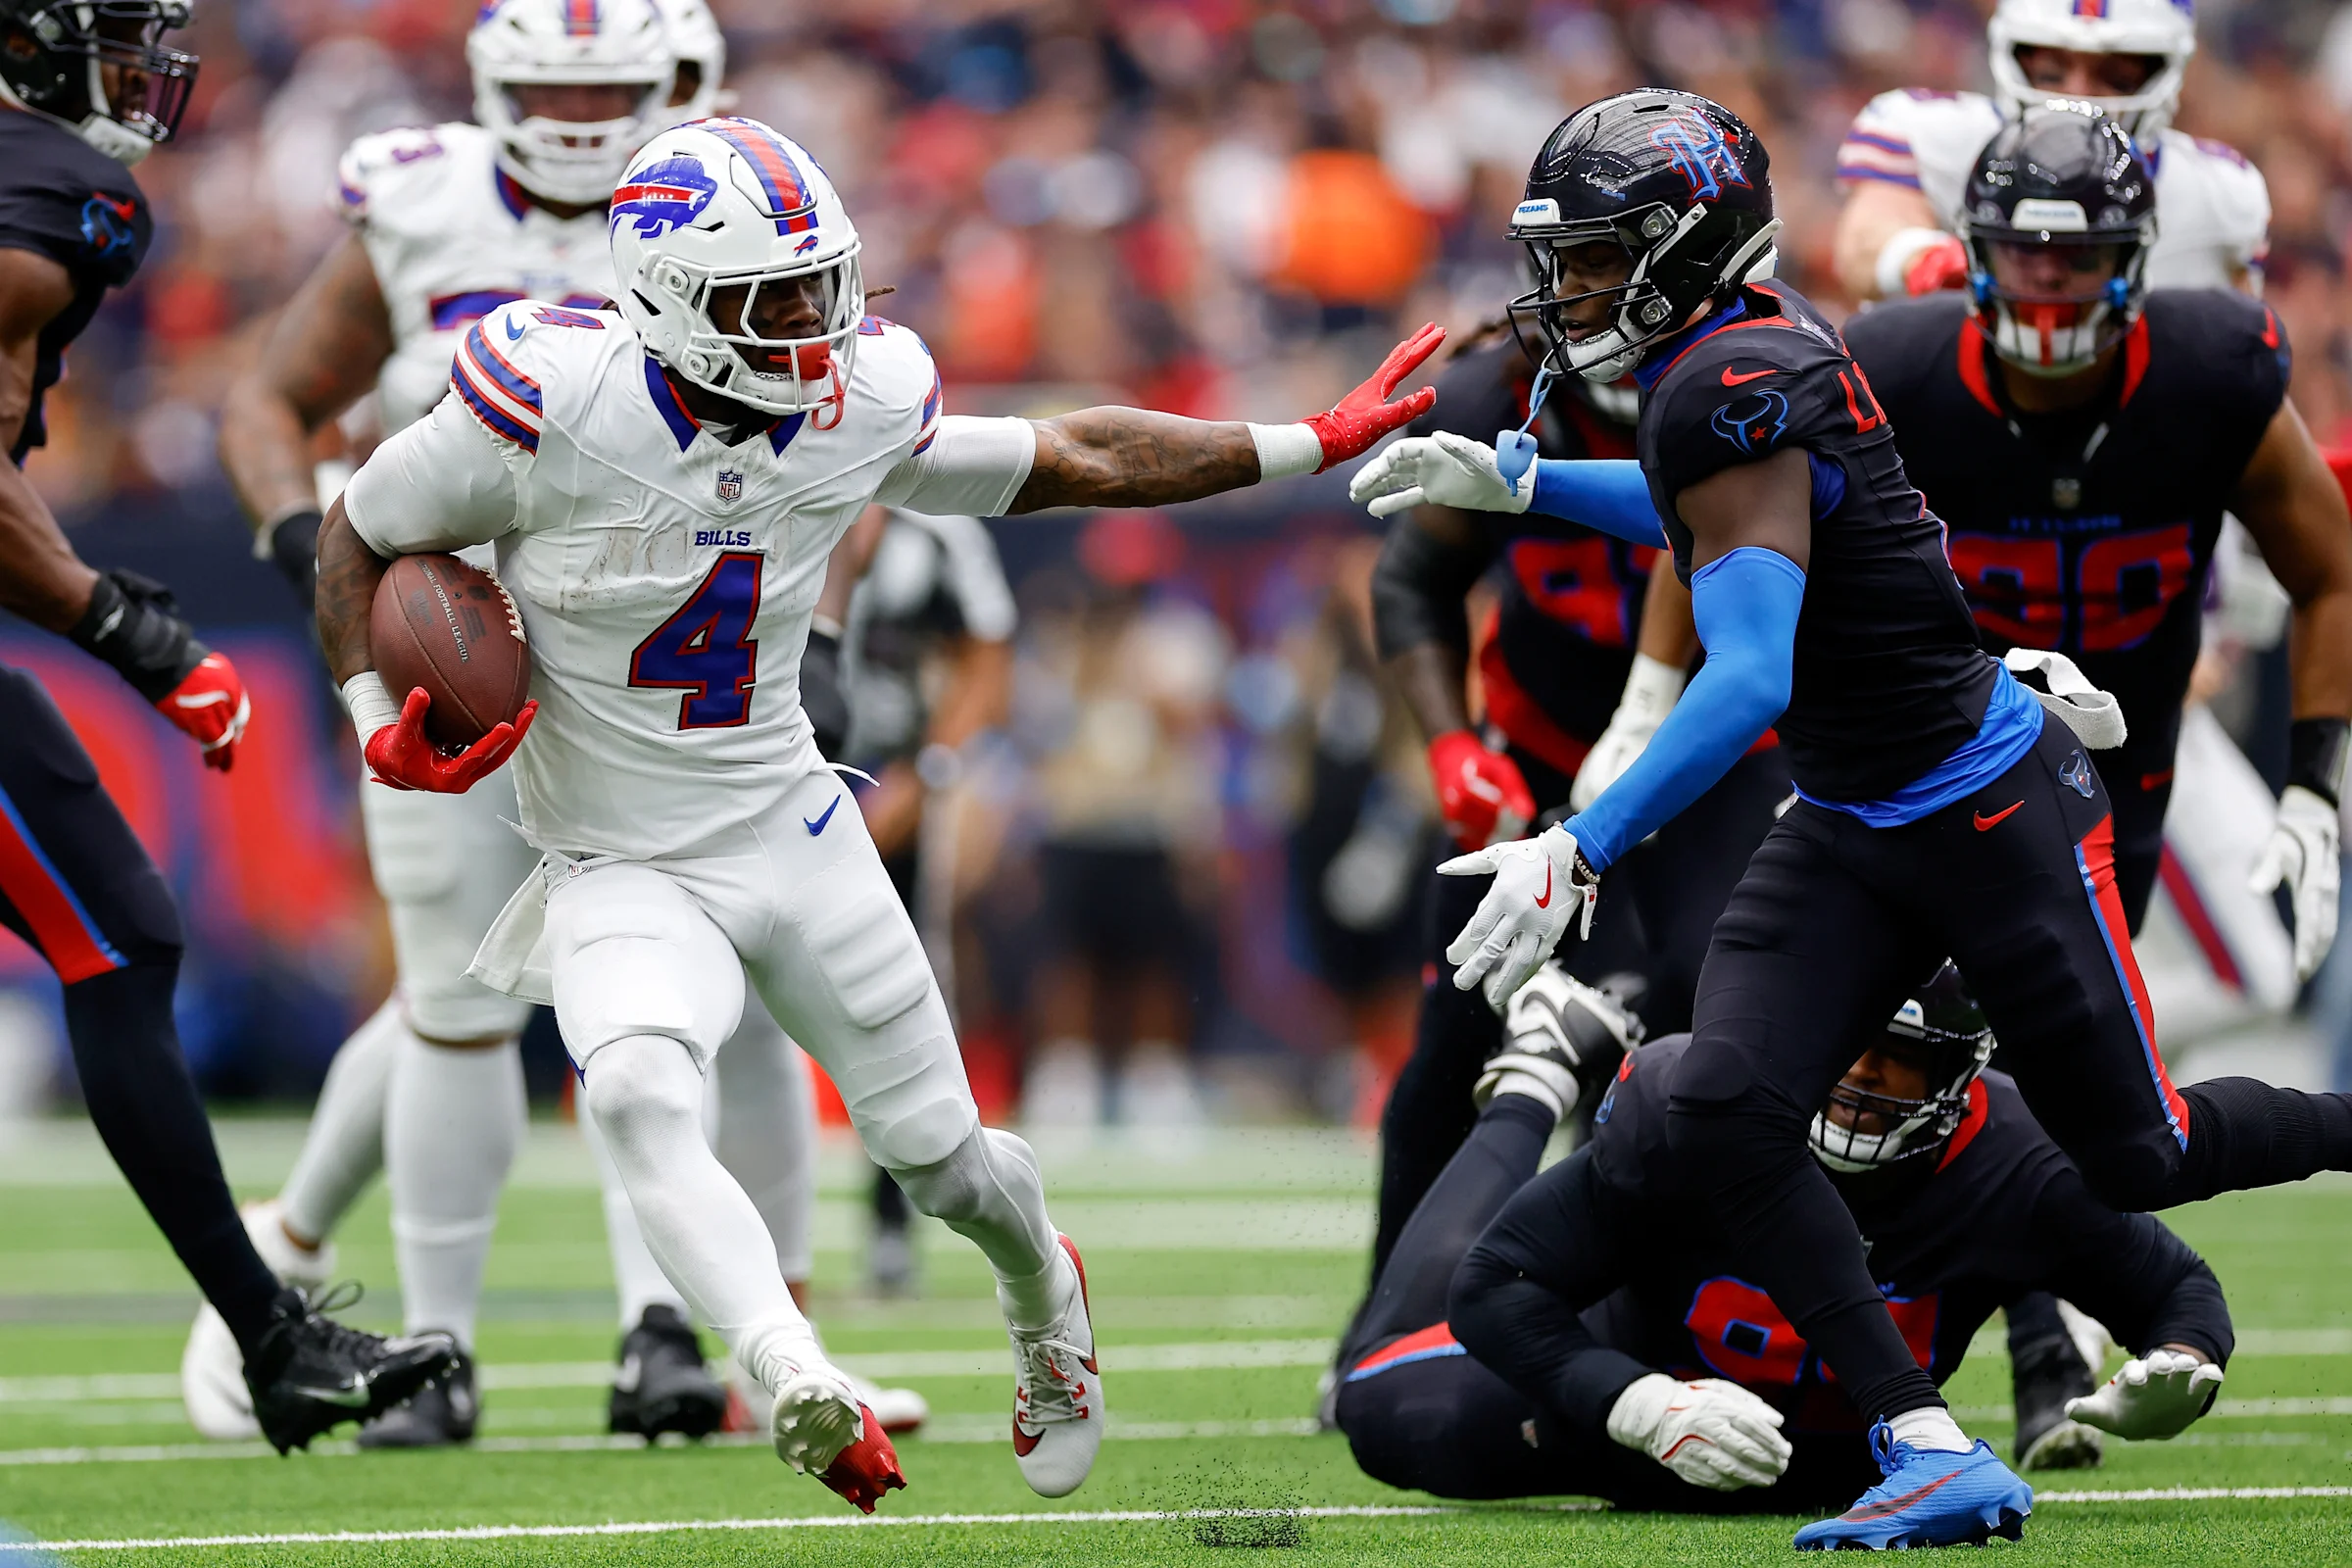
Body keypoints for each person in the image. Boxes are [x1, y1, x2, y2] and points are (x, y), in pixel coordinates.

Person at [307, 116, 1444, 1509]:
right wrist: (372, 718)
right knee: (642, 1093)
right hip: (613, 856)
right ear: (668, 299)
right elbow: (356, 532)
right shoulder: (543, 399)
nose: (811, 326)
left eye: (819, 286)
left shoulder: (858, 398)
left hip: (787, 824)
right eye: (770, 301)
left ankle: (1044, 1289)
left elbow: (1075, 454)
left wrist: (1304, 440)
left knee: (943, 1164)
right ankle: (791, 1369)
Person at [1349, 88, 2352, 1548]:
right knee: (1724, 1109)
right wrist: (1526, 482)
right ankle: (1925, 1441)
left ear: (1687, 250)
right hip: (1857, 809)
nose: (1567, 290)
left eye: (1598, 256)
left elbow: (1750, 668)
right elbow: (1714, 507)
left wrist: (1583, 843)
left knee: (2140, 1152)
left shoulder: (1724, 379)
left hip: (1985, 805)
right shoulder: (1739, 351)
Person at [184, 0, 923, 1449]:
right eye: (546, 88)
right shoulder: (421, 199)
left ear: (678, 76)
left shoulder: (737, 207)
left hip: (656, 654)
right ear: (488, 83)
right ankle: (436, 1345)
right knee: (454, 1001)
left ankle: (690, 1337)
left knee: (702, 998)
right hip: (458, 644)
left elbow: (845, 435)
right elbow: (273, 400)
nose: (577, 118)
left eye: (607, 89)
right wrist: (310, 550)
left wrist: (823, 633)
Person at [1838, 109, 2352, 1469]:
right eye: (2025, 254)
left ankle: (2064, 1343)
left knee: (2099, 1112)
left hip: (2111, 788)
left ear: (2139, 259)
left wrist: (2315, 785)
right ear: (1970, 251)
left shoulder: (2212, 367)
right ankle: (1982, 1354)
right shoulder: (1895, 366)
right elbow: (1740, 538)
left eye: (2078, 258)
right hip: (1921, 766)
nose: (2051, 285)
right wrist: (1665, 712)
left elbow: (2329, 569)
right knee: (1876, 1068)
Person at [0, 0, 457, 1450]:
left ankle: (274, 1340)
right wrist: (125, 632)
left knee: (123, 936)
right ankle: (274, 1342)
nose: (139, 72)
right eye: (107, 38)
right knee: (116, 939)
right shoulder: (46, 196)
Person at [1336, 967, 2231, 1521]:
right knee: (1371, 1399)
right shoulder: (1695, 1106)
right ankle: (1538, 1073)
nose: (1860, 1071)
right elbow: (1497, 1283)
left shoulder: (2015, 1164)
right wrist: (1637, 1404)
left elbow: (2178, 1287)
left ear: (1959, 1071)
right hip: (1625, 1418)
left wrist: (2186, 1360)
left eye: (1900, 1054)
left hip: (1834, 1474)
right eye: (1850, 1037)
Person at [1360, 317, 1783, 1304]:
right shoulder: (1493, 398)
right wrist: (1452, 744)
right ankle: (1387, 1327)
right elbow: (1414, 579)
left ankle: (1655, 1315)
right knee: (1458, 1033)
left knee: (1707, 1019)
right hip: (1540, 742)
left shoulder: (1757, 383)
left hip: (1721, 753)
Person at [831, 503, 1017, 1293]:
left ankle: (891, 1220)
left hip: (891, 781)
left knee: (899, 1000)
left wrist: (927, 773)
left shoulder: (938, 533)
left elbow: (987, 664)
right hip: (768, 771)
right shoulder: (763, 484)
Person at [1834, 0, 2266, 302]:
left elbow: (2247, 368)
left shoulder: (2219, 196)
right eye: (2050, 71)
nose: (2076, 97)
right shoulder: (1933, 134)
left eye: (2116, 77)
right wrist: (1926, 260)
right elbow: (1864, 245)